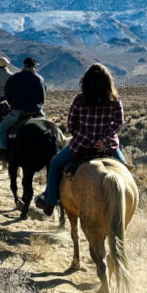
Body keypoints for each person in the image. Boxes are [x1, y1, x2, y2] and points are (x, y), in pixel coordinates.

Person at [34, 64, 129, 216]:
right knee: (125, 169)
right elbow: (119, 123)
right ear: (107, 81)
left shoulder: (80, 99)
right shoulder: (115, 99)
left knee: (56, 164)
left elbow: (71, 123)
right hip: (107, 145)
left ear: (86, 82)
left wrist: (82, 136)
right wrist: (104, 140)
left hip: (81, 144)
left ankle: (51, 200)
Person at [0, 57, 46, 161]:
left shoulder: (14, 78)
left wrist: (13, 105)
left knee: (2, 128)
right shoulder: (39, 78)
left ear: (24, 66)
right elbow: (43, 97)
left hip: (17, 111)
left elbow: (8, 94)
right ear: (34, 67)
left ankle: (4, 151)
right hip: (36, 111)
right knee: (50, 127)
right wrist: (38, 105)